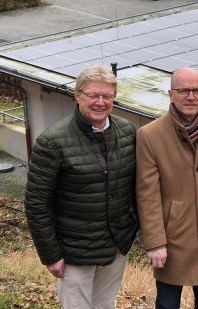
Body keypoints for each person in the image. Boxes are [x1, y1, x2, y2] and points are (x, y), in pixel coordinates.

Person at [25, 64, 138, 309]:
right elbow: (36, 203)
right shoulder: (52, 142)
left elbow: (136, 187)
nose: (100, 102)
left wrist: (133, 227)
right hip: (73, 251)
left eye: (106, 96)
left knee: (105, 305)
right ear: (77, 96)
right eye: (93, 95)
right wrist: (51, 254)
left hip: (115, 246)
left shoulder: (128, 132)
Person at [136, 67, 198, 309]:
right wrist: (155, 242)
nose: (191, 97)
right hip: (173, 237)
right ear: (171, 94)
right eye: (183, 91)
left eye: (196, 91)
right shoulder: (150, 135)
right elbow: (146, 194)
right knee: (168, 304)